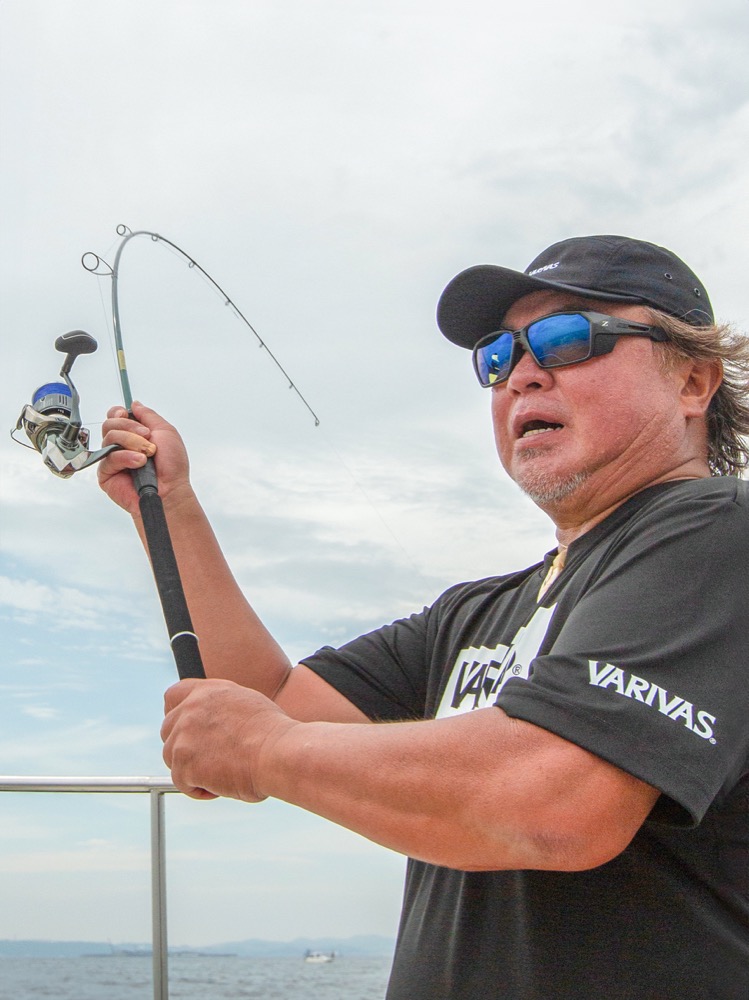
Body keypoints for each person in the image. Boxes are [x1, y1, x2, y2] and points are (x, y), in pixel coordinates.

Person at [98, 234, 749, 999]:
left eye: (569, 338)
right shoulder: (477, 612)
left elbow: (555, 799)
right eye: (498, 358)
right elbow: (266, 703)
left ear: (693, 381)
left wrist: (265, 751)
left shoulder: (720, 533)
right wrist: (168, 510)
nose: (523, 375)